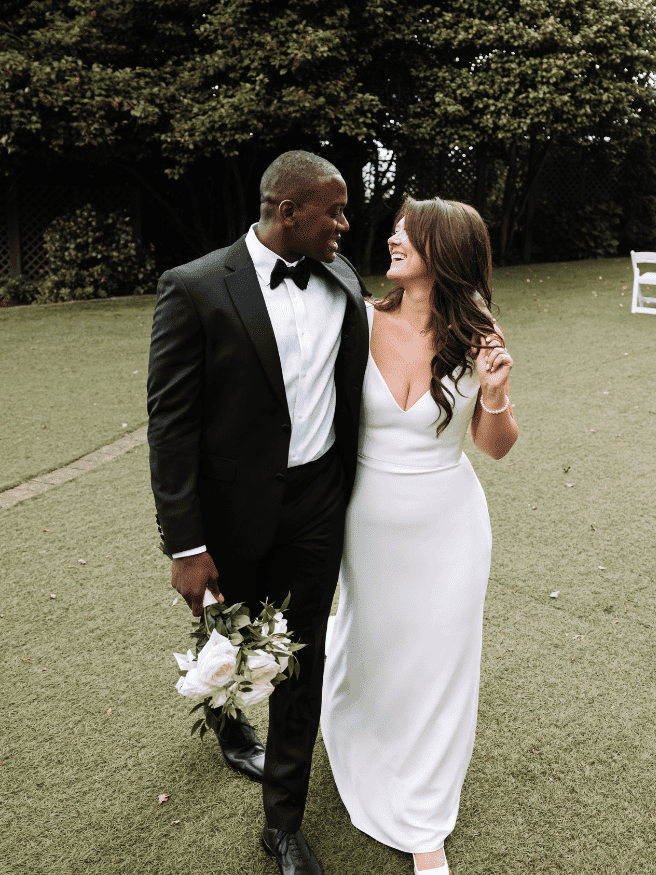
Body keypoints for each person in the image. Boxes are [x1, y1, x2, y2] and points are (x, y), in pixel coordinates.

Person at [147, 151, 370, 875]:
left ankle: (282, 825)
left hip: (315, 503)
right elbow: (171, 425)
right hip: (228, 513)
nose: (345, 222)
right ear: (289, 213)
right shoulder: (196, 288)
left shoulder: (341, 277)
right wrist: (185, 545)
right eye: (333, 210)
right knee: (226, 637)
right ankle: (226, 723)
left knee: (301, 656)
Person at [320, 196, 518, 875]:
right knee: (372, 645)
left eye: (411, 230)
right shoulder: (357, 320)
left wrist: (493, 393)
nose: (395, 235)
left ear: (448, 250)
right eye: (399, 226)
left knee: (441, 663)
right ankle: (354, 737)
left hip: (449, 525)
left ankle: (426, 823)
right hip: (367, 523)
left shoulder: (478, 333)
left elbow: (495, 446)